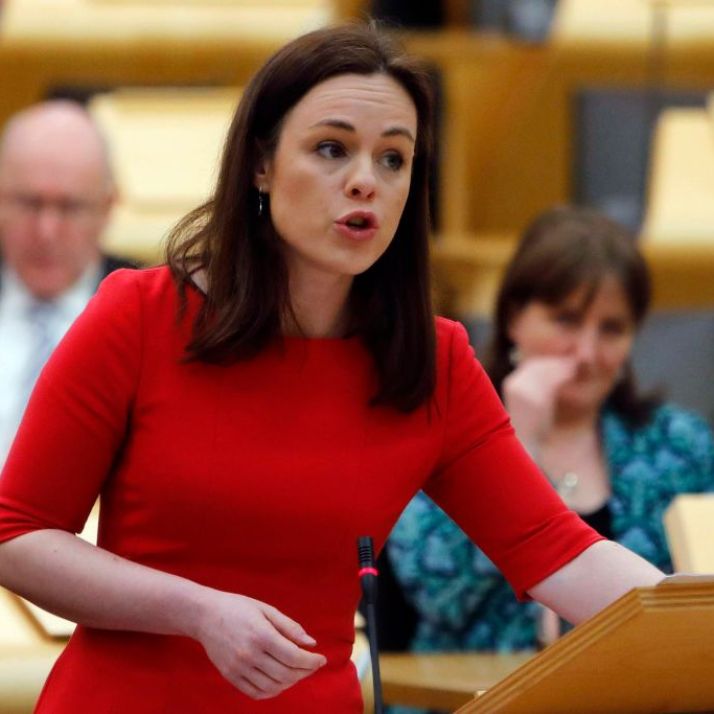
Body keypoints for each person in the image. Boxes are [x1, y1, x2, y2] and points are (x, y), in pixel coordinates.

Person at [0, 28, 664, 713]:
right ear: (261, 164)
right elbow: (16, 534)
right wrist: (197, 611)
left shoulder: (432, 361)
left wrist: (691, 619)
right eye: (331, 149)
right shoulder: (140, 315)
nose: (365, 181)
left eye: (393, 158)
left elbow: (560, 552)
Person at [388, 206, 714, 658]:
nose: (586, 353)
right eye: (566, 320)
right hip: (475, 691)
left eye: (612, 328)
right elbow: (438, 595)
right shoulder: (442, 426)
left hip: (640, 685)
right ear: (513, 319)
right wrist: (519, 441)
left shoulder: (681, 445)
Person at [0, 100, 132, 467]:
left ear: (107, 207)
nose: (47, 231)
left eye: (70, 207)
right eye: (29, 203)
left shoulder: (152, 315)